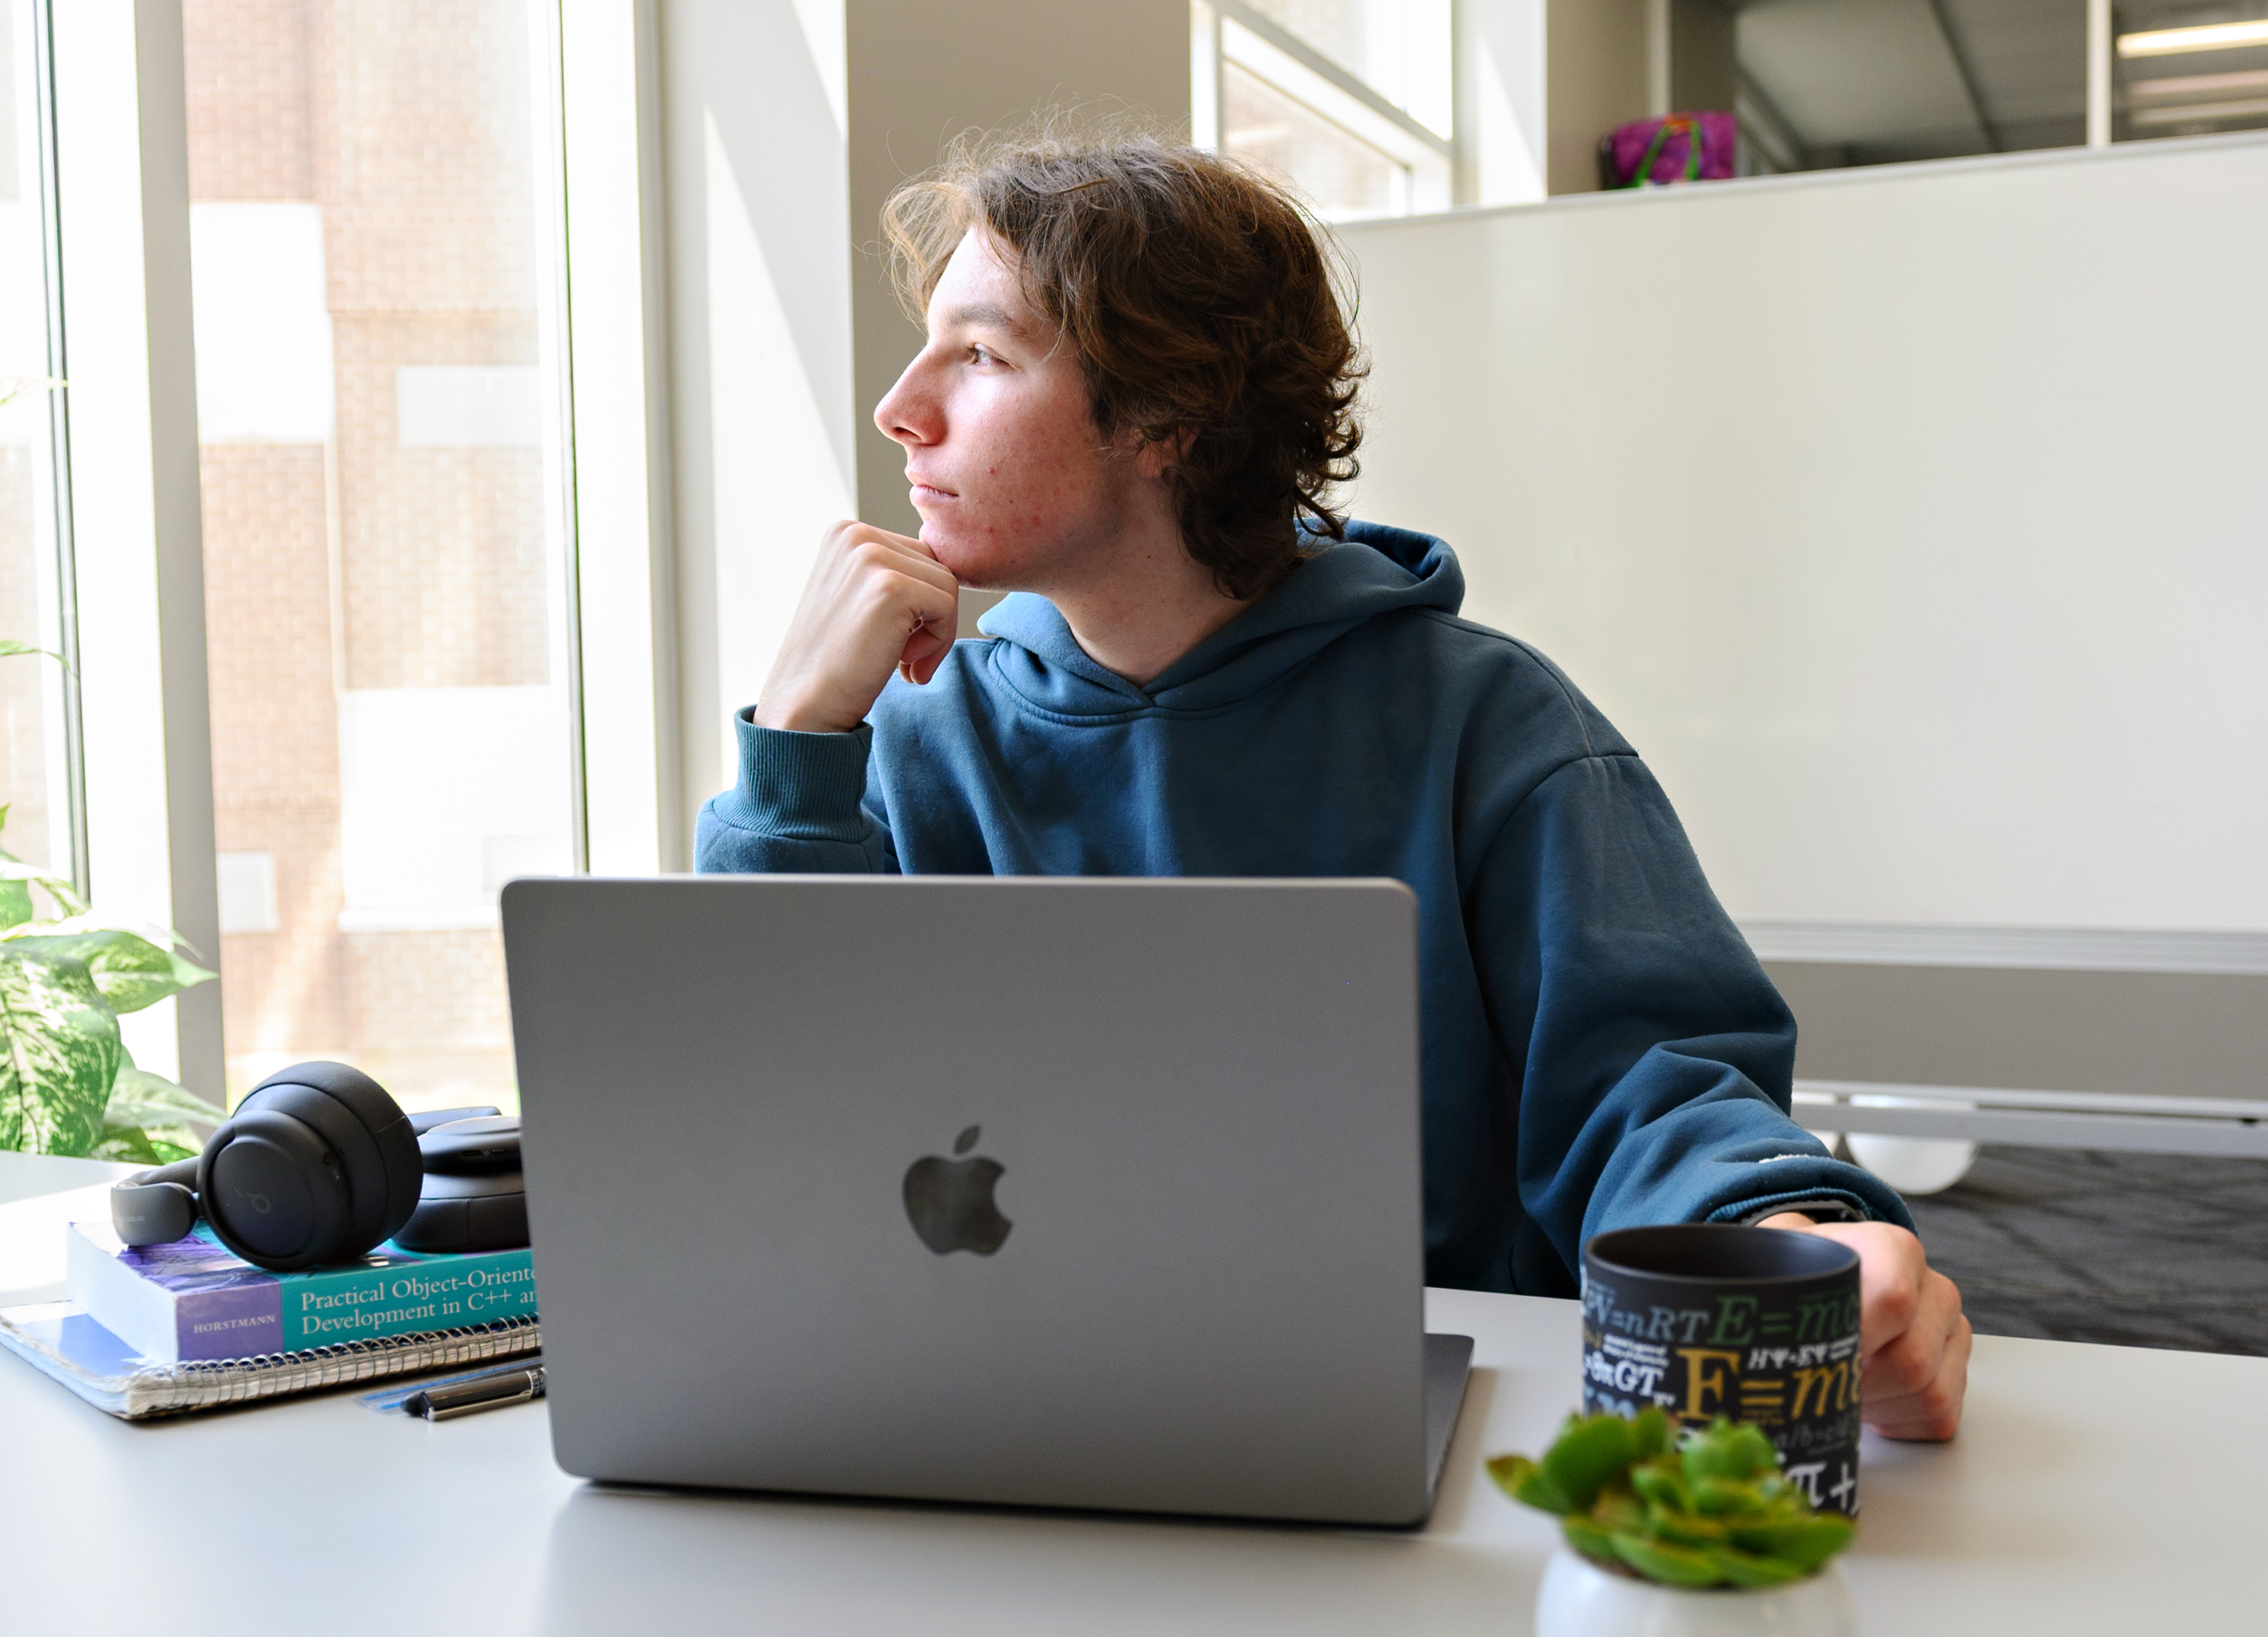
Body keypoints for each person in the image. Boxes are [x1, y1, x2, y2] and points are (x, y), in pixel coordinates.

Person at [693, 131, 1969, 1442]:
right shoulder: (909, 737)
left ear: (1167, 416)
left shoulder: (1491, 725)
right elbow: (747, 1123)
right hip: (988, 1406)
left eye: (980, 354)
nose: (900, 407)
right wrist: (795, 744)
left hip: (1405, 1439)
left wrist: (1787, 1231)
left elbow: (1652, 1092)